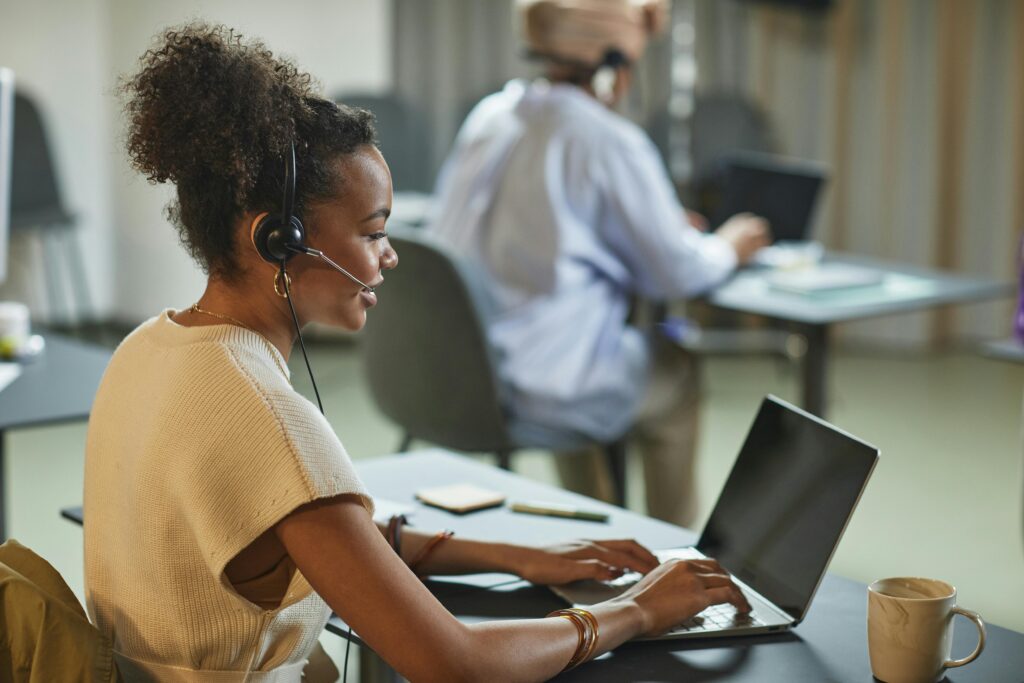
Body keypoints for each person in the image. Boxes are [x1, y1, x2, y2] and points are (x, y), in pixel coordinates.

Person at [82, 23, 750, 682]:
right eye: (374, 233)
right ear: (278, 241)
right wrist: (635, 609)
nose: (392, 256)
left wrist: (523, 555)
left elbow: (332, 542)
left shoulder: (144, 347)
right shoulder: (272, 422)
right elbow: (454, 662)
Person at [427, 0, 770, 527]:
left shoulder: (492, 116)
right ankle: (672, 551)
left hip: (454, 374)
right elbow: (677, 271)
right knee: (676, 371)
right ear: (616, 66)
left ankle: (598, 521)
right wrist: (729, 245)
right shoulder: (607, 140)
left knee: (573, 338)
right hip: (541, 386)